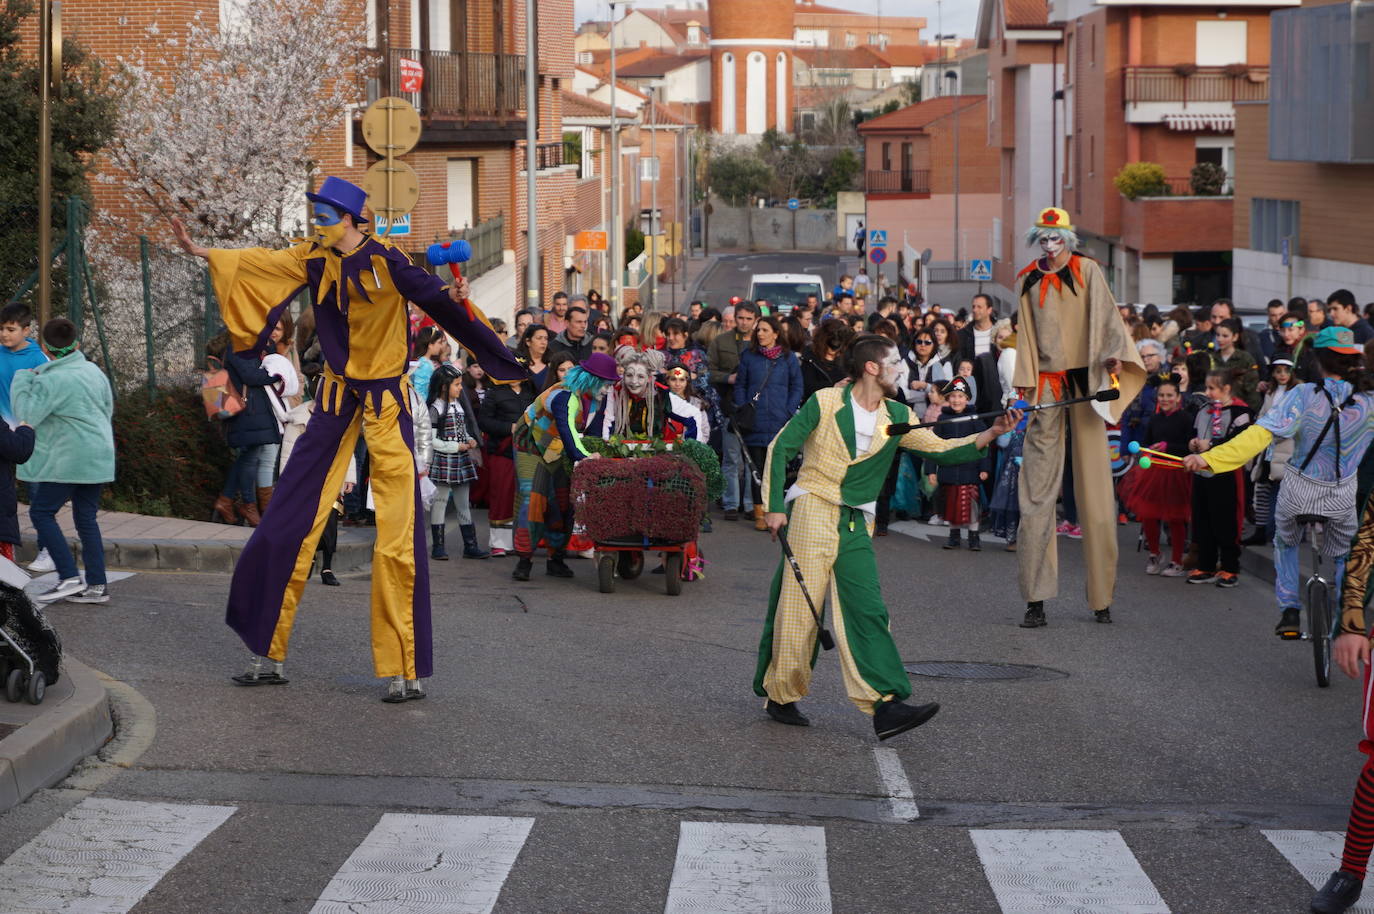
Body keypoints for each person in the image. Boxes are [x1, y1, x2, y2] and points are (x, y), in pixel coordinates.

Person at [169, 175, 527, 702]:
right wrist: (203, 251)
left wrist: (459, 298)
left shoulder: (389, 260)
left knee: (398, 531)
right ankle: (267, 653)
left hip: (386, 404)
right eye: (317, 213)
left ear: (354, 220)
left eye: (326, 214)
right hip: (336, 402)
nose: (318, 222)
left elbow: (441, 302)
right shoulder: (313, 256)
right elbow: (260, 263)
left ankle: (406, 668)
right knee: (287, 517)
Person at [754, 333, 1020, 738]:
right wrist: (774, 506)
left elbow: (938, 449)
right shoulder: (825, 402)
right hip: (811, 509)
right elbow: (781, 447)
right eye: (894, 362)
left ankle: (886, 705)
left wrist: (987, 434)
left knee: (868, 608)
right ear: (871, 368)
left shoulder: (897, 415)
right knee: (799, 611)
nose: (901, 369)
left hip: (856, 521)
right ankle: (782, 693)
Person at [1185, 326, 1374, 637]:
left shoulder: (1303, 395)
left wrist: (1212, 459)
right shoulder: (1367, 402)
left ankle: (1289, 610)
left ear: (1316, 360)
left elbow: (1261, 434)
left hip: (1299, 490)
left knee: (1285, 541)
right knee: (1344, 555)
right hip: (1342, 494)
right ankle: (1346, 617)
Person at [1012, 206, 1145, 628]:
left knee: (1095, 489)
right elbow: (1026, 337)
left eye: (1057, 239)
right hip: (1047, 389)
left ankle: (1102, 597)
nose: (1050, 247)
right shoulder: (1027, 280)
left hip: (1085, 387)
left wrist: (1113, 358)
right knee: (1036, 493)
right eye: (1044, 239)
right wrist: (1026, 386)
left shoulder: (1088, 272)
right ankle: (1035, 599)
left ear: (1068, 240)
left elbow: (1108, 320)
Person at [14, 318, 114, 604]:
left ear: (44, 346)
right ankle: (96, 585)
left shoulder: (50, 379)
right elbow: (108, 409)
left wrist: (22, 379)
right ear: (77, 344)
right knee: (86, 518)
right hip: (100, 455)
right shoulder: (94, 371)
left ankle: (68, 577)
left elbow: (27, 415)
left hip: (70, 457)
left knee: (41, 512)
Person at [511, 352, 620, 582]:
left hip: (558, 449)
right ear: (593, 379)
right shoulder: (564, 396)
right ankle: (524, 560)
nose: (608, 388)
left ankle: (556, 559)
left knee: (561, 501)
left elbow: (579, 432)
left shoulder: (592, 399)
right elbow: (566, 427)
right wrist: (583, 456)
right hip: (531, 447)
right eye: (606, 383)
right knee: (533, 499)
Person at [733, 316, 803, 531]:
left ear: (776, 333)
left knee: (776, 469)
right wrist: (745, 406)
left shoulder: (788, 358)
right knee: (756, 470)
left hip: (778, 421)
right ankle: (759, 514)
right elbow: (740, 385)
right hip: (754, 421)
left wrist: (788, 410)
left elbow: (797, 387)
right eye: (758, 330)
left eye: (764, 330)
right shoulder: (748, 356)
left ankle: (775, 510)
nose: (760, 334)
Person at [211, 337, 285, 528]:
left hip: (252, 411)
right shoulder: (239, 345)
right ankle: (246, 505)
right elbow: (251, 376)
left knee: (249, 455)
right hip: (247, 410)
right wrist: (278, 375)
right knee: (250, 456)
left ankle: (227, 500)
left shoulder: (249, 345)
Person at [1124, 375, 1192, 577]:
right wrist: (1147, 451)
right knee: (1149, 515)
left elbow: (1188, 447)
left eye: (1169, 395)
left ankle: (1177, 561)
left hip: (1176, 472)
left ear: (1178, 397)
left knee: (1176, 518)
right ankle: (1154, 553)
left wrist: (1168, 447)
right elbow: (1146, 442)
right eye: (1161, 395)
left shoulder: (1186, 419)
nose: (1165, 399)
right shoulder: (1154, 419)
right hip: (1154, 472)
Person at [426, 365, 487, 561]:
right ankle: (438, 546)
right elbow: (432, 440)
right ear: (444, 386)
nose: (460, 388)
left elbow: (461, 431)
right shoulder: (435, 408)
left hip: (460, 460)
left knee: (463, 504)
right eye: (457, 384)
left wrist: (469, 439)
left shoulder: (457, 405)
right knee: (440, 503)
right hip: (444, 460)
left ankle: (471, 545)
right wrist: (454, 447)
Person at [709, 301, 759, 521]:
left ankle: (749, 505)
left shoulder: (762, 342)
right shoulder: (721, 341)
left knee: (751, 459)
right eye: (741, 318)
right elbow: (707, 371)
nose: (744, 322)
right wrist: (727, 378)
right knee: (731, 457)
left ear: (756, 320)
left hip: (755, 408)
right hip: (730, 405)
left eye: (749, 319)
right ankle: (731, 503)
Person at [928, 377, 990, 551]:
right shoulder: (942, 419)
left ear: (967, 399)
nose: (956, 400)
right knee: (951, 506)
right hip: (948, 471)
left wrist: (984, 467)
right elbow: (933, 445)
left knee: (972, 508)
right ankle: (954, 537)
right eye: (953, 396)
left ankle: (974, 538)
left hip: (970, 471)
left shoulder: (975, 419)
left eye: (960, 396)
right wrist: (931, 470)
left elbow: (984, 444)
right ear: (948, 399)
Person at [478, 374, 535, 557]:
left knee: (524, 497)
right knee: (501, 494)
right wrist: (508, 428)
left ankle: (522, 541)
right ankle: (499, 542)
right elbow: (484, 422)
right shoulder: (494, 393)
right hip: (501, 451)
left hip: (527, 451)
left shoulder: (531, 393)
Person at [1211, 318, 1260, 411]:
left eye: (1225, 336)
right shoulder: (1211, 358)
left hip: (1239, 409)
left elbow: (1252, 390)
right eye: (1218, 335)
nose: (1220, 339)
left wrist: (1249, 412)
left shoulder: (1245, 359)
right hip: (1215, 409)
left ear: (1235, 337)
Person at [800, 320, 854, 400]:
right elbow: (807, 386)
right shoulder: (809, 358)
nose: (836, 351)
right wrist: (834, 386)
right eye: (834, 347)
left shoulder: (846, 358)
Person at [957, 294, 997, 358]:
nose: (975, 310)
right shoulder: (963, 334)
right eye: (973, 307)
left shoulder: (999, 332)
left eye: (979, 307)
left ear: (989, 310)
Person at [517, 323, 553, 388]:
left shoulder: (551, 364)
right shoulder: (519, 363)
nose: (543, 342)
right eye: (539, 338)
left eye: (546, 338)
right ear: (528, 341)